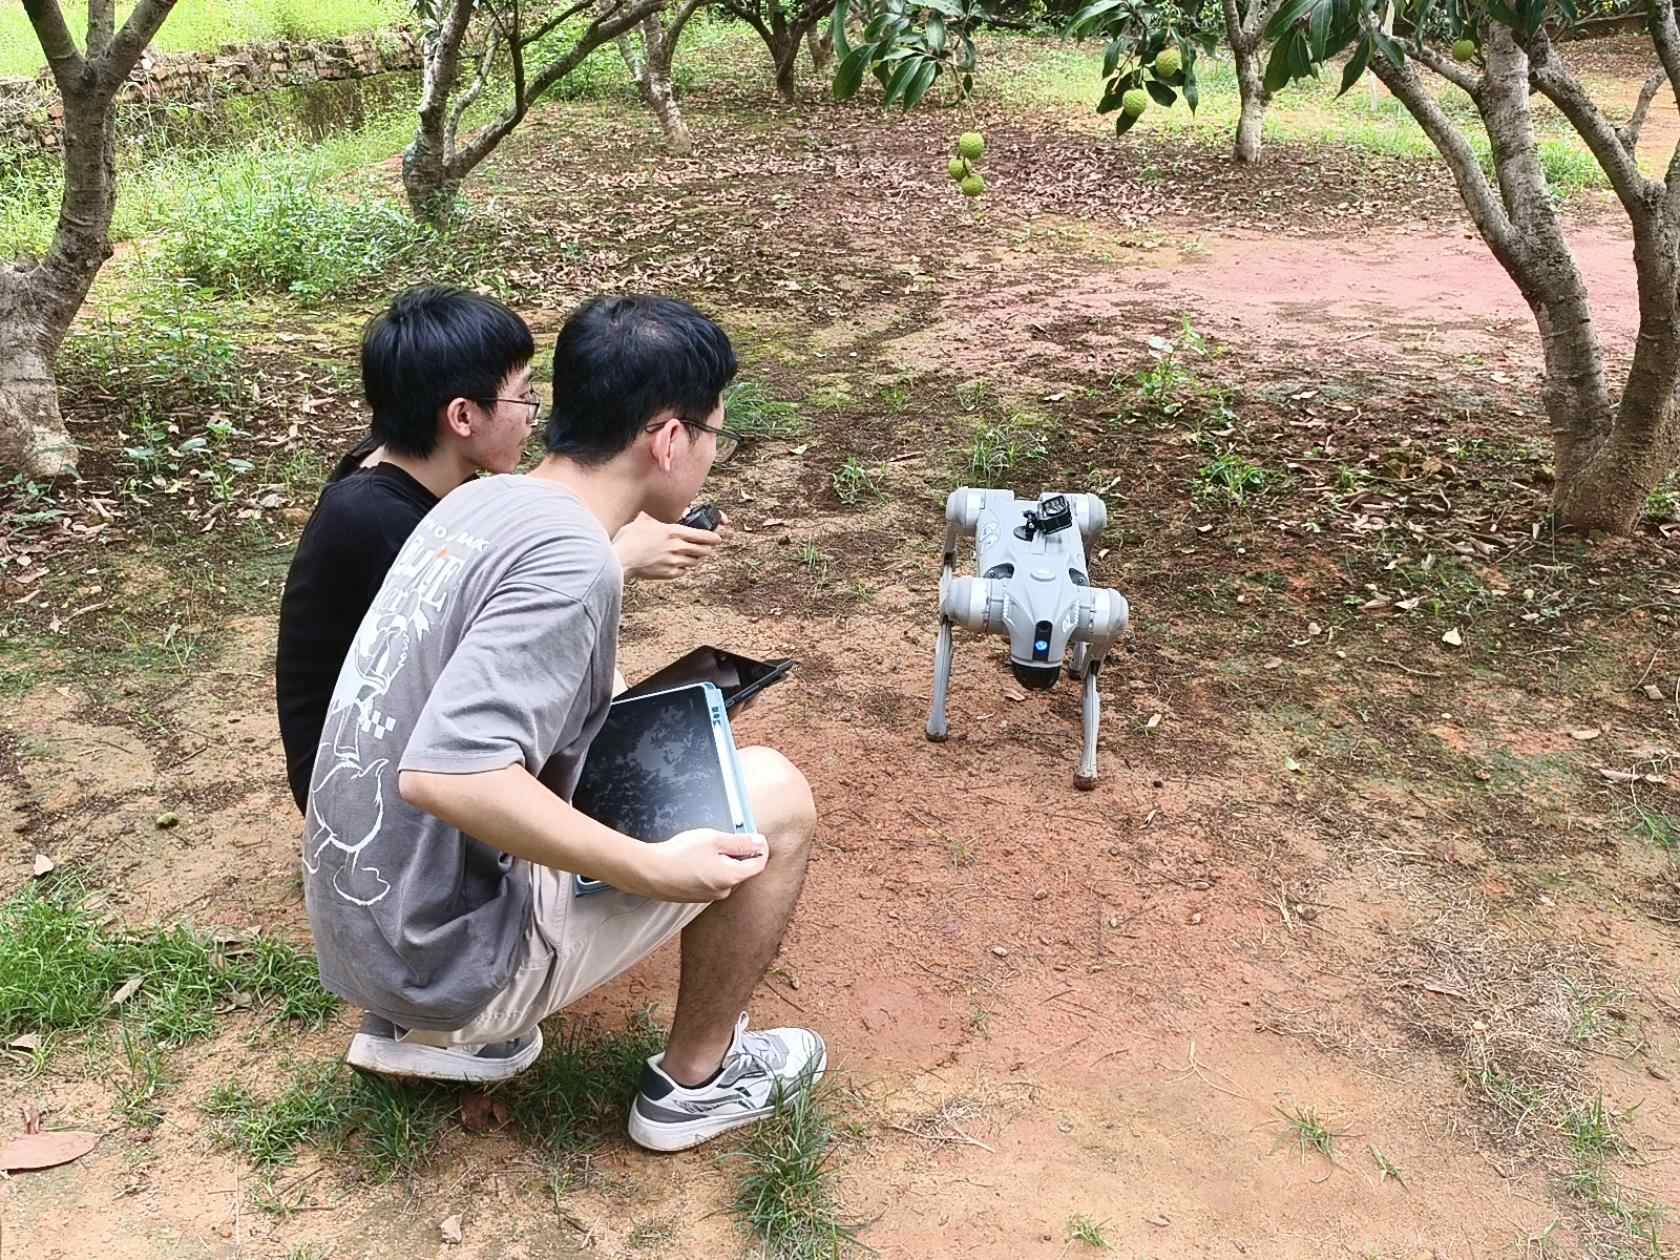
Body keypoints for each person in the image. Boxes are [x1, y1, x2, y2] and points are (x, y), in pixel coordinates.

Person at [302, 294, 822, 1155]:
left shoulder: (475, 503)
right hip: (441, 961)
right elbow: (448, 773)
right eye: (714, 437)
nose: (709, 457)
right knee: (776, 796)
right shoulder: (573, 561)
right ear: (668, 440)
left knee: (634, 729)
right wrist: (652, 867)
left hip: (364, 925)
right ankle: (696, 1085)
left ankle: (419, 1028)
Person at [276, 286, 727, 814]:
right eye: (522, 395)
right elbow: (480, 646)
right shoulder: (378, 519)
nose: (534, 414)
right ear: (463, 416)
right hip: (365, 785)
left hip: (403, 752)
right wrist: (615, 557)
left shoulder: (420, 484)